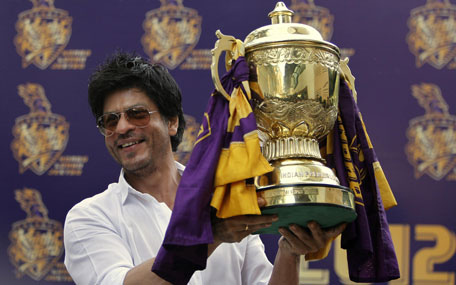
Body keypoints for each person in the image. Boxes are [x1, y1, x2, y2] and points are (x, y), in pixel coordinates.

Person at [63, 51, 346, 284]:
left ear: (172, 122)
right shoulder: (89, 217)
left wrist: (290, 251)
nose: (122, 127)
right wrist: (210, 236)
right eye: (110, 121)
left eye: (137, 114)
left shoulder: (226, 197)